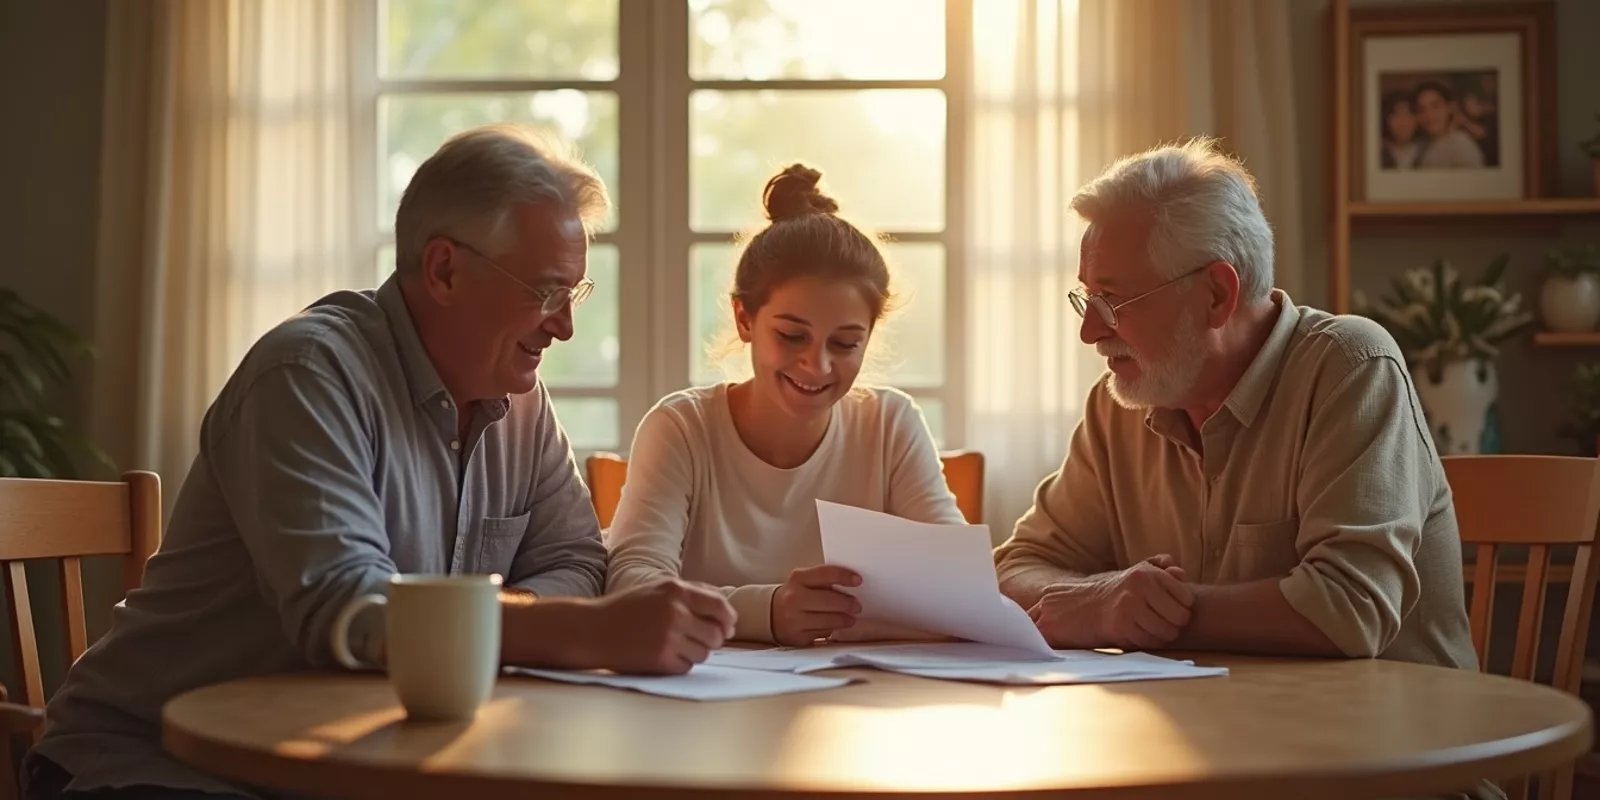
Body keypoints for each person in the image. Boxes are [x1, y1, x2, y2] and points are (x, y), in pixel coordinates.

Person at [24, 124, 736, 800]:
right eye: (545, 291)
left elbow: (578, 561)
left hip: (355, 765)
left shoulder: (519, 400)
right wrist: (586, 633)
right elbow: (346, 612)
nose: (565, 325)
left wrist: (509, 624)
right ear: (445, 269)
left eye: (571, 292)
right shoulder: (306, 375)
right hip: (159, 765)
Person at [994, 138, 1479, 672]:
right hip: (1224, 734)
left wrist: (1132, 611)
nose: (1089, 331)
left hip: (1399, 740)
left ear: (1217, 296)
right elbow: (1016, 567)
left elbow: (1350, 607)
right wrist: (1105, 599)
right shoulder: (1120, 406)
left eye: (1112, 301)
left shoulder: (1352, 367)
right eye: (1087, 299)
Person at [605, 164, 964, 646]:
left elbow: (961, 586)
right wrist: (768, 611)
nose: (815, 365)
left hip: (856, 701)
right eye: (792, 335)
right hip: (697, 706)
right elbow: (632, 583)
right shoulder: (682, 427)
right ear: (744, 319)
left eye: (844, 344)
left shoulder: (890, 423)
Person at [1413, 81, 1485, 169]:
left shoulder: (1459, 144)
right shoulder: (1425, 146)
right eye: (1422, 110)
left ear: (1449, 108)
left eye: (1435, 106)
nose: (1429, 115)